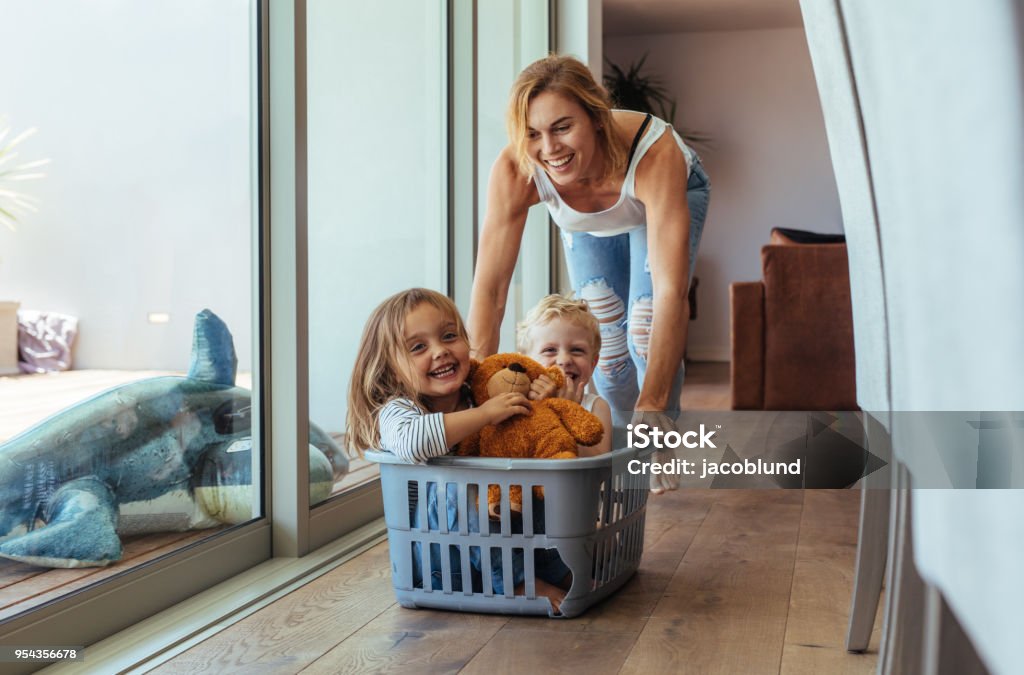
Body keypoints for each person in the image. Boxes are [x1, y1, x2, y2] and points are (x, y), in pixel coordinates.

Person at [467, 54, 711, 493]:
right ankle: (620, 449)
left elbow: (672, 291)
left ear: (596, 117)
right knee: (609, 352)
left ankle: (658, 436)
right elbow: (491, 288)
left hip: (662, 195)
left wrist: (653, 401)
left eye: (562, 127)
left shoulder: (655, 152)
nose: (549, 148)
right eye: (533, 134)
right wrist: (475, 388)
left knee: (642, 324)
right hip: (590, 223)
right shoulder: (517, 168)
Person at [345, 287, 571, 611]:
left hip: (499, 551)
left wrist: (540, 398)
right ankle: (519, 582)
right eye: (418, 347)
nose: (440, 351)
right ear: (391, 368)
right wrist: (485, 415)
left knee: (529, 483)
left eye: (449, 336)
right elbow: (414, 442)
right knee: (457, 483)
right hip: (441, 564)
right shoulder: (398, 410)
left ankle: (558, 570)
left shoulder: (478, 393)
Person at [517, 293, 612, 456]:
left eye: (577, 350)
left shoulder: (596, 407)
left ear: (593, 363)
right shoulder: (519, 401)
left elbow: (599, 462)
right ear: (526, 362)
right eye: (550, 350)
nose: (564, 360)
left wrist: (565, 413)